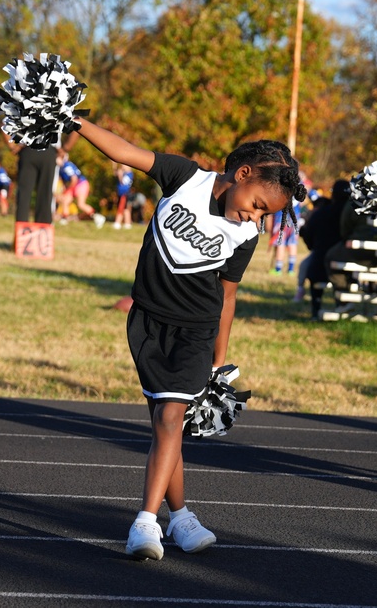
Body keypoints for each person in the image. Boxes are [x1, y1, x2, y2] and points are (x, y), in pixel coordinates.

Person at [71, 115, 305, 560]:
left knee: (171, 417)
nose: (255, 216)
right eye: (257, 204)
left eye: (264, 215)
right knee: (166, 422)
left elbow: (228, 295)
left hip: (196, 330)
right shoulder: (186, 178)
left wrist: (219, 360)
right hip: (147, 322)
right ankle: (181, 517)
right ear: (243, 174)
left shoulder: (244, 235)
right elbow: (125, 151)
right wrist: (75, 122)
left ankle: (145, 523)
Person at [297, 179, 349, 317]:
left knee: (312, 264)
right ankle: (342, 304)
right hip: (348, 266)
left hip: (319, 264)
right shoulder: (353, 214)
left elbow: (309, 237)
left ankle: (316, 306)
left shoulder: (321, 214)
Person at [10, 132, 78, 225]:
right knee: (46, 193)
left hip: (28, 149)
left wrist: (13, 146)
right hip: (49, 150)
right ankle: (43, 230)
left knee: (24, 194)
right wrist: (65, 148)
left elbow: (4, 123)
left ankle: (21, 231)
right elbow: (76, 125)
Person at [56, 154, 100, 224]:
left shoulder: (67, 166)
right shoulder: (60, 168)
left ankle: (97, 217)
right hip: (74, 185)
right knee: (65, 201)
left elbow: (74, 179)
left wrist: (67, 190)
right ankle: (64, 219)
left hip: (80, 184)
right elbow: (63, 181)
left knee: (81, 204)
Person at [114, 162, 134, 229]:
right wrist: (114, 165)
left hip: (124, 193)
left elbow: (122, 182)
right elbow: (115, 173)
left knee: (121, 208)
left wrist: (120, 175)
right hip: (121, 193)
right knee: (125, 209)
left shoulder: (129, 174)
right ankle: (127, 223)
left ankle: (117, 222)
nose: (122, 167)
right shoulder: (125, 173)